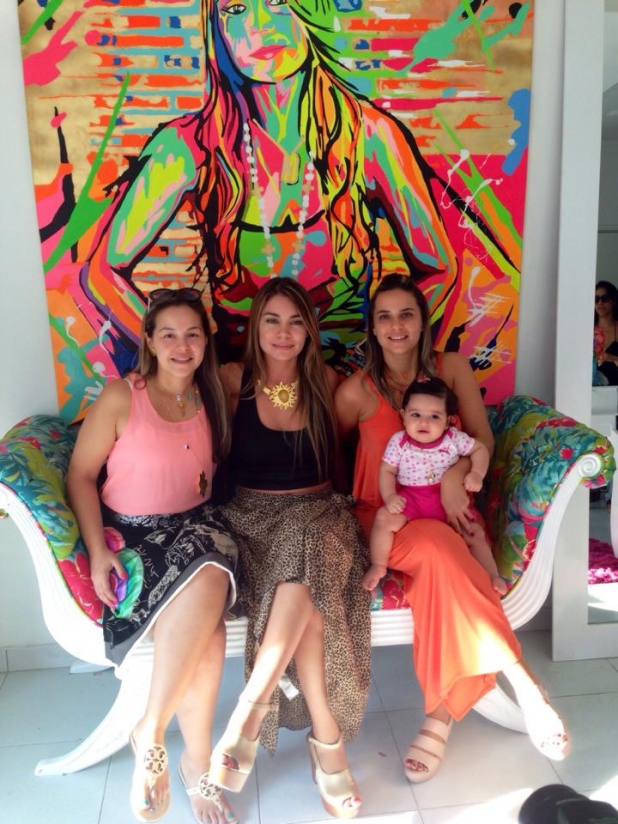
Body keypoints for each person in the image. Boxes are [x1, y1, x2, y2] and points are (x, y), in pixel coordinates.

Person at [74, 0, 515, 387]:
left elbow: (439, 269)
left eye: (278, 1)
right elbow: (102, 274)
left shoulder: (370, 136)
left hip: (344, 390)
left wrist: (375, 366)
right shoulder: (188, 145)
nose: (260, 25)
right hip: (241, 391)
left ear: (309, 12)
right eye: (236, 9)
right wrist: (185, 363)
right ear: (217, 33)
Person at [335, 274, 571, 784]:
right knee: (442, 550)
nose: (396, 326)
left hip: (451, 513)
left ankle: (438, 718)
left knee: (442, 570)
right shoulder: (355, 391)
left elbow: (482, 438)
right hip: (390, 518)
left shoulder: (453, 368)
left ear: (423, 321)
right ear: (372, 327)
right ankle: (524, 683)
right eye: (384, 316)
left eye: (406, 314)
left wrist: (452, 479)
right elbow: (327, 457)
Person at [66, 287, 239, 824]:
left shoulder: (213, 395)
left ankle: (153, 731)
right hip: (135, 540)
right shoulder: (123, 396)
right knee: (211, 629)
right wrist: (98, 550)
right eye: (169, 334)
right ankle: (195, 762)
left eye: (193, 334)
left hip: (198, 528)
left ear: (206, 341)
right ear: (149, 340)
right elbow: (80, 475)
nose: (182, 346)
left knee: (210, 561)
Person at [208, 278, 371, 820]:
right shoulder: (232, 380)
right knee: (310, 603)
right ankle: (328, 742)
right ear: (256, 325)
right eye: (272, 320)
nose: (284, 333)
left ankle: (250, 712)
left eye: (296, 321)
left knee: (307, 540)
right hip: (252, 523)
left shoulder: (327, 382)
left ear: (310, 331)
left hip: (322, 516)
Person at [365, 376, 507, 596]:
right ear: (403, 416)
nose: (424, 422)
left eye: (434, 416)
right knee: (384, 519)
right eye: (416, 415)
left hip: (447, 502)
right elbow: (387, 471)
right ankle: (378, 565)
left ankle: (491, 575)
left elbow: (479, 449)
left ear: (448, 420)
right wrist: (390, 496)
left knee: (475, 533)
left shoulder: (453, 439)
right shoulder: (399, 441)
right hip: (412, 499)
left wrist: (477, 474)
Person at [593, 280, 618, 385]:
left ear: (613, 301)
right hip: (590, 389)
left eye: (605, 298)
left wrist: (611, 357)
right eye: (596, 299)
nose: (600, 302)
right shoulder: (587, 329)